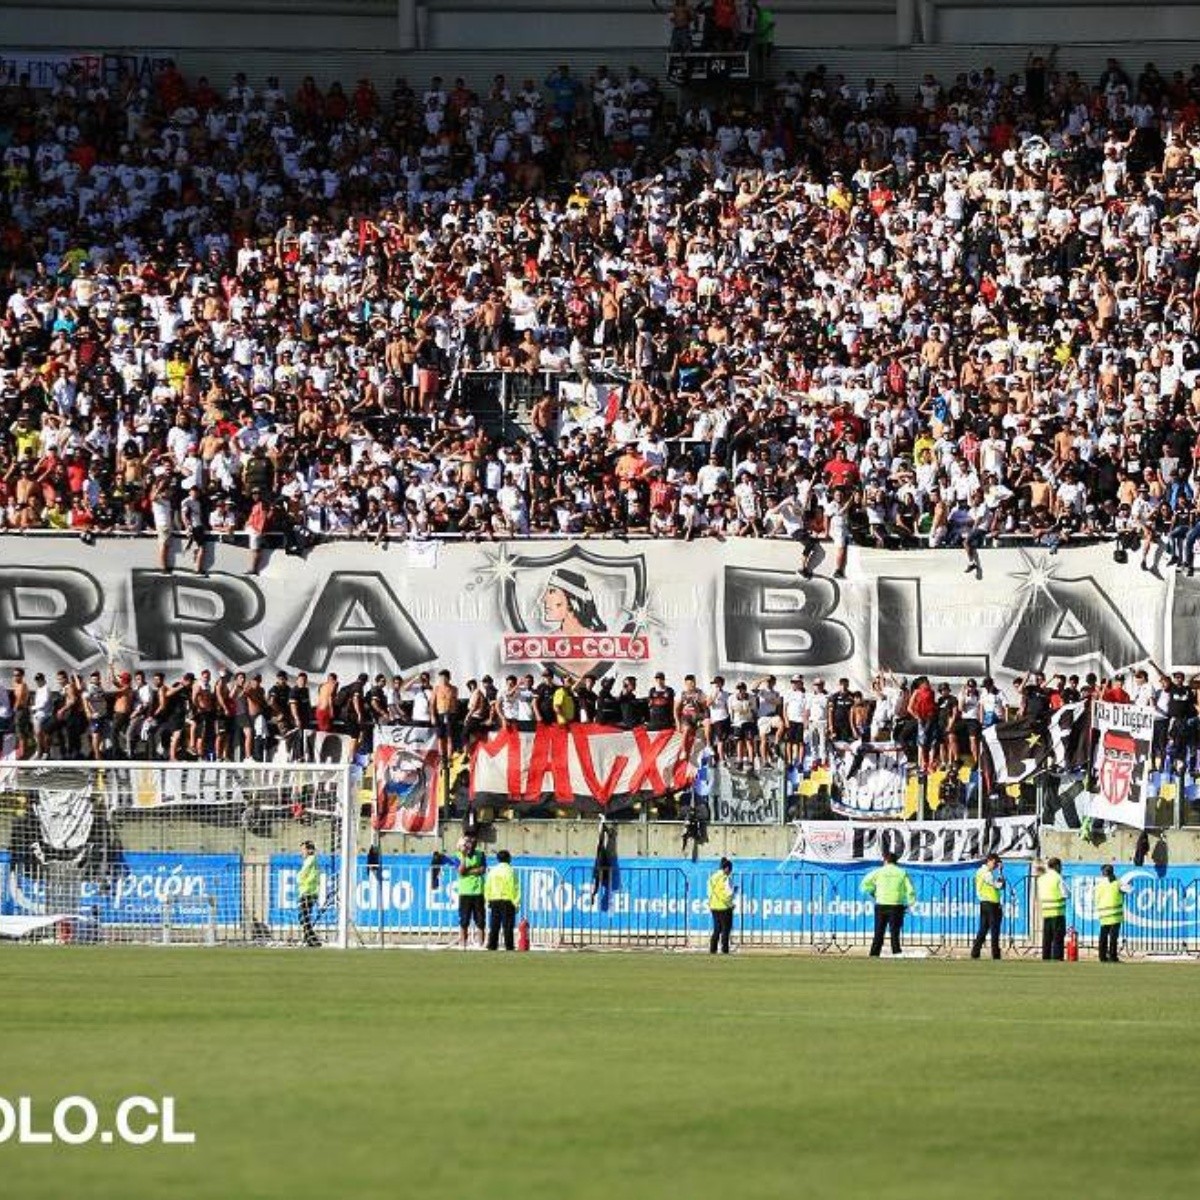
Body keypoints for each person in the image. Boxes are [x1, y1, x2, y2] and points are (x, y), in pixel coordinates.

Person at [862, 851, 916, 957]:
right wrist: (910, 902)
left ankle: (874, 953)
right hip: (896, 904)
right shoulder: (902, 872)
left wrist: (873, 892)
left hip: (881, 903)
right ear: (896, 861)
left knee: (879, 931)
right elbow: (910, 889)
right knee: (895, 931)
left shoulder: (878, 872)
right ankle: (896, 952)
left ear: (885, 860)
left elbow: (865, 884)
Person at [484, 849, 522, 951]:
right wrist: (516, 902)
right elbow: (515, 887)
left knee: (494, 924)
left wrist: (487, 900)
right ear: (508, 859)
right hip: (507, 900)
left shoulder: (493, 870)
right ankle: (509, 946)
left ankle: (492, 945)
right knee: (508, 925)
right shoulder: (511, 870)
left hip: (494, 899)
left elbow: (488, 886)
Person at [970, 853, 1005, 960]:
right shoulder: (986, 872)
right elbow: (998, 885)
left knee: (983, 929)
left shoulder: (981, 872)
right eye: (994, 863)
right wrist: (1000, 872)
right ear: (989, 861)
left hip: (985, 903)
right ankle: (995, 954)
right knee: (994, 930)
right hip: (991, 904)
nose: (995, 866)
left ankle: (975, 952)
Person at [1096, 863, 1131, 963]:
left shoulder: (1100, 884)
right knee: (1113, 937)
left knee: (1103, 936)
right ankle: (1113, 956)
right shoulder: (1117, 883)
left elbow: (1097, 897)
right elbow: (1129, 889)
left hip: (1103, 913)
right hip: (1115, 914)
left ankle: (1102, 956)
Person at [457, 834, 487, 949]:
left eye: (473, 842)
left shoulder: (480, 854)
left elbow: (482, 869)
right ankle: (463, 943)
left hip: (478, 891)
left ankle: (480, 944)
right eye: (468, 842)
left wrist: (468, 871)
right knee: (464, 919)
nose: (471, 845)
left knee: (480, 919)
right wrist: (464, 857)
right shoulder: (458, 855)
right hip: (465, 892)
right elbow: (461, 871)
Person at [1038, 856, 1068, 961]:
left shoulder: (1041, 878)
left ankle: (1045, 957)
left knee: (1047, 937)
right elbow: (1065, 893)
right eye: (1060, 866)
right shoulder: (1058, 877)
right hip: (1057, 911)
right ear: (1057, 866)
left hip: (1046, 911)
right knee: (1058, 938)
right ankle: (1057, 957)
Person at [707, 857, 736, 954]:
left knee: (716, 929)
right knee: (725, 930)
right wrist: (732, 901)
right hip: (725, 907)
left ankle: (713, 949)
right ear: (727, 868)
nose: (730, 872)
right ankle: (725, 950)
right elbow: (729, 893)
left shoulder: (712, 877)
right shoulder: (725, 878)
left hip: (714, 906)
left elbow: (709, 892)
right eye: (730, 870)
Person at [297, 840, 321, 948]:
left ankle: (312, 940)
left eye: (303, 849)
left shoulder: (311, 860)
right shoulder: (312, 860)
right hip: (308, 892)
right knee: (304, 918)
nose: (301, 852)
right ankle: (311, 940)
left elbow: (302, 874)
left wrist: (299, 878)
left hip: (308, 892)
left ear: (309, 850)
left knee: (304, 918)